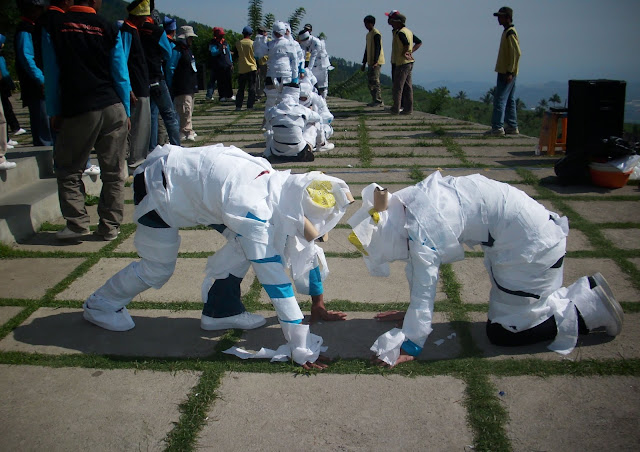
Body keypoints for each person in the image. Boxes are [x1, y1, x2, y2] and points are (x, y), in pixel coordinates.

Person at [84, 143, 352, 369]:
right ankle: (101, 304)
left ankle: (221, 311)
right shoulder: (255, 212)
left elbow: (305, 250)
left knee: (243, 245)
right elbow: (275, 283)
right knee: (157, 268)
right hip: (158, 189)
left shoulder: (280, 184)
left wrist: (318, 303)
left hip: (191, 186)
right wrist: (300, 347)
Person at [348, 172, 624, 367]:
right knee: (508, 317)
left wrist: (412, 342)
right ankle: (573, 294)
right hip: (521, 244)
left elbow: (424, 287)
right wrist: (411, 318)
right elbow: (418, 269)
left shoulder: (422, 233)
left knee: (504, 333)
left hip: (533, 250)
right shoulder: (408, 204)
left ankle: (590, 308)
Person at [42, 0, 131, 242]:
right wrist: (127, 109)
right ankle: (110, 227)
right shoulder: (108, 27)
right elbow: (120, 73)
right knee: (114, 172)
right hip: (113, 106)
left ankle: (77, 223)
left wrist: (54, 110)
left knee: (69, 168)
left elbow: (52, 74)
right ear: (94, 1)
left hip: (79, 106)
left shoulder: (54, 26)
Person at [129, 0, 181, 153]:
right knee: (169, 115)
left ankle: (151, 149)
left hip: (141, 78)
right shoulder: (157, 31)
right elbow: (167, 52)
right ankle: (177, 148)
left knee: (150, 116)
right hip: (157, 77)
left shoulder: (134, 29)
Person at [14, 0, 53, 147]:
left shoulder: (35, 27)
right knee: (42, 121)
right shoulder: (26, 29)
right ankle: (45, 151)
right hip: (35, 85)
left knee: (46, 121)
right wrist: (40, 79)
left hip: (41, 82)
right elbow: (26, 57)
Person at [120, 9, 152, 168]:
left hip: (141, 84)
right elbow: (122, 60)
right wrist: (129, 88)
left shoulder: (134, 31)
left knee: (143, 124)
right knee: (138, 124)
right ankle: (135, 160)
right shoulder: (127, 31)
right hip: (135, 87)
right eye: (144, 17)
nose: (146, 20)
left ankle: (139, 157)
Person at [485, 6, 521, 136]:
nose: (498, 19)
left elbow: (516, 53)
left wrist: (510, 72)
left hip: (506, 72)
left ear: (508, 18)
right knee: (510, 99)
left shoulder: (510, 33)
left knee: (499, 99)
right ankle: (512, 125)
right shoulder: (507, 32)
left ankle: (497, 127)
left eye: (501, 16)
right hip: (507, 71)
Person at [264, 84, 319, 163]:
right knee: (312, 125)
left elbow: (267, 118)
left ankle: (267, 153)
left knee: (271, 131)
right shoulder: (301, 109)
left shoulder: (273, 110)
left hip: (277, 150)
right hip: (298, 149)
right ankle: (315, 145)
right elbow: (318, 118)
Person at [386, 10, 421, 115]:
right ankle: (408, 109)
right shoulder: (408, 31)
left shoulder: (400, 33)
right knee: (408, 86)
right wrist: (410, 52)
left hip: (402, 63)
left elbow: (405, 44)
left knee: (398, 87)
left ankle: (396, 109)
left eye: (393, 21)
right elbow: (418, 42)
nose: (391, 22)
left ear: (399, 22)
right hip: (409, 62)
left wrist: (405, 52)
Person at [167, 25, 198, 142]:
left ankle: (188, 129)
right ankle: (184, 130)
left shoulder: (188, 50)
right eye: (190, 38)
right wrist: (171, 84)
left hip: (190, 84)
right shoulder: (177, 50)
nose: (192, 40)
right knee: (184, 108)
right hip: (182, 85)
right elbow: (171, 67)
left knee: (189, 108)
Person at [263, 22, 298, 114]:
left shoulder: (269, 44)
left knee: (271, 101)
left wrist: (262, 38)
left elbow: (258, 53)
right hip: (285, 74)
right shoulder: (290, 44)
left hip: (273, 73)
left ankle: (269, 125)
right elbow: (294, 60)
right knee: (284, 100)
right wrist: (295, 77)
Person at [0, 34, 26, 143]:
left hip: (3, 84)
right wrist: (10, 83)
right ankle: (6, 138)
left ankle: (6, 137)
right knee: (5, 111)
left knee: (6, 110)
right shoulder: (0, 58)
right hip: (2, 85)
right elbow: (4, 72)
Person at [299, 83, 334, 152]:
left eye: (304, 98)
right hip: (300, 126)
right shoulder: (294, 100)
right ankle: (320, 144)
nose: (302, 100)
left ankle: (314, 143)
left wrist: (314, 116)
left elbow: (326, 114)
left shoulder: (316, 99)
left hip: (315, 125)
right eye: (301, 98)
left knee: (327, 128)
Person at [297, 26, 331, 99]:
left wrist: (308, 69)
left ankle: (323, 99)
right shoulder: (303, 43)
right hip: (314, 65)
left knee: (323, 84)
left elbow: (313, 56)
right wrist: (301, 68)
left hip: (321, 63)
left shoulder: (316, 42)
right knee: (313, 81)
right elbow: (302, 55)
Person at [361, 15, 385, 107]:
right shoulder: (368, 35)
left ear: (371, 23)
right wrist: (364, 62)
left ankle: (378, 100)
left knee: (375, 80)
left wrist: (376, 61)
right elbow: (367, 49)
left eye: (367, 23)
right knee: (370, 81)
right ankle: (374, 99)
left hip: (377, 61)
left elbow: (378, 47)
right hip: (370, 61)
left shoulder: (376, 33)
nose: (365, 25)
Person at [233, 26, 257, 111]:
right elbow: (256, 56)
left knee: (241, 88)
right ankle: (250, 106)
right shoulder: (253, 43)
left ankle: (238, 106)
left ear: (243, 34)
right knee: (252, 88)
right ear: (251, 34)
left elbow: (235, 55)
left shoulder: (238, 43)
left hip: (242, 68)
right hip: (252, 67)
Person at [207, 27, 235, 102]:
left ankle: (229, 95)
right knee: (220, 81)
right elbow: (213, 53)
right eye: (220, 35)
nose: (222, 36)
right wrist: (220, 49)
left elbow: (228, 53)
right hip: (218, 65)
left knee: (228, 80)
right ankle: (222, 96)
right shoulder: (213, 43)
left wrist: (231, 62)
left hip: (227, 64)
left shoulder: (225, 42)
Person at [253, 26, 269, 100]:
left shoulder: (266, 40)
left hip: (265, 62)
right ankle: (259, 93)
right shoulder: (256, 41)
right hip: (260, 62)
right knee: (259, 79)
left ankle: (265, 93)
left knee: (264, 79)